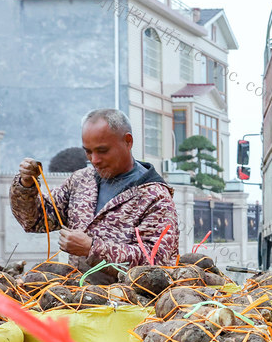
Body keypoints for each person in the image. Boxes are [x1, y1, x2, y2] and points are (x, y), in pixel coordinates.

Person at [12, 109, 179, 277]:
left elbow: (156, 264)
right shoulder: (81, 181)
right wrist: (26, 186)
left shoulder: (154, 197)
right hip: (78, 297)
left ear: (128, 142)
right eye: (88, 151)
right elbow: (34, 220)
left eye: (102, 151)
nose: (94, 160)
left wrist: (92, 249)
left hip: (128, 300)